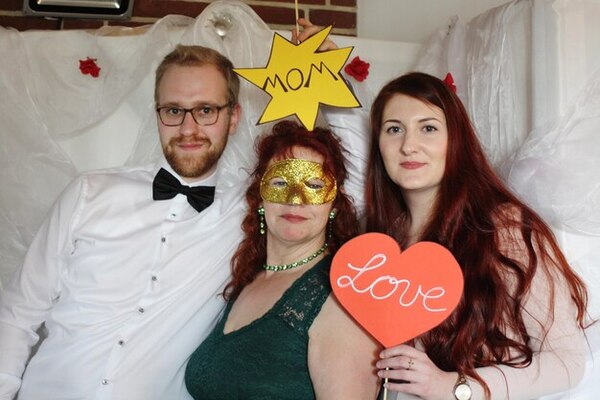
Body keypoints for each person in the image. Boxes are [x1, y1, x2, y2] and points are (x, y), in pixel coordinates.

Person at [0, 44, 246, 400]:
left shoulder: (249, 213)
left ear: (233, 117)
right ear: (158, 114)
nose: (188, 128)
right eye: (174, 110)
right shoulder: (90, 192)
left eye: (206, 110)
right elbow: (18, 313)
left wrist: (335, 95)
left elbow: (334, 191)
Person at [368, 72, 589, 400]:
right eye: (394, 129)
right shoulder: (381, 242)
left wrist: (451, 386)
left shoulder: (504, 229)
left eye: (428, 128)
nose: (408, 145)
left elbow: (567, 362)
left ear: (455, 139)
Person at [184, 120, 380, 399]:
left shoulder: (339, 296)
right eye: (279, 182)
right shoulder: (248, 279)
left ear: (334, 204)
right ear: (260, 198)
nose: (295, 200)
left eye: (313, 185)